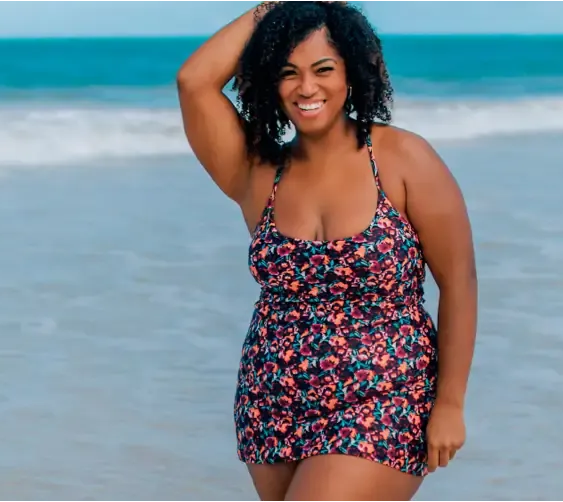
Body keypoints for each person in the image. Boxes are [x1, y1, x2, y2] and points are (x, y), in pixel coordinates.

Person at [175, 1, 478, 500]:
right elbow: (194, 81)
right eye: (288, 72)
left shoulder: (402, 158)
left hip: (385, 395)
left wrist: (449, 402)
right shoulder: (256, 172)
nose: (306, 88)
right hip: (272, 398)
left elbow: (459, 280)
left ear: (352, 73)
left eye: (323, 69)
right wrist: (280, 7)